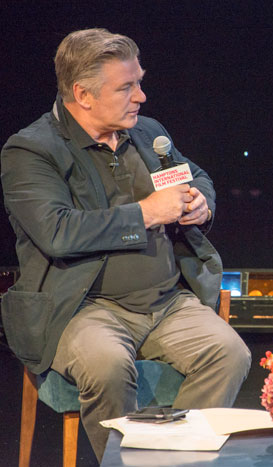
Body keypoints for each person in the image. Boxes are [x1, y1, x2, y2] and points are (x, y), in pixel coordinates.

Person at [0, 28, 251, 459]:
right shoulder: (31, 150)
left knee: (229, 352)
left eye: (139, 81)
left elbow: (198, 177)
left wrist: (199, 205)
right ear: (84, 94)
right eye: (127, 86)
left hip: (166, 302)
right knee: (107, 366)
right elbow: (57, 232)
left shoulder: (147, 133)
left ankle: (170, 461)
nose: (141, 96)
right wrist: (149, 212)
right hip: (83, 308)